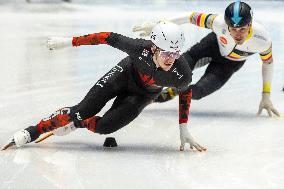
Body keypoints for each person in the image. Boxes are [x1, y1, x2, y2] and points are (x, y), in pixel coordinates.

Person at [3, 22, 206, 152]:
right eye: (166, 53)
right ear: (153, 48)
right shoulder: (139, 48)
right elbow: (107, 37)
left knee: (105, 127)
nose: (171, 59)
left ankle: (76, 124)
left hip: (142, 95)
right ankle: (32, 131)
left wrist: (183, 127)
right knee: (83, 110)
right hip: (124, 74)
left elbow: (185, 91)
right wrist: (68, 42)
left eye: (175, 53)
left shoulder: (182, 73)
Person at [133, 1, 280, 117]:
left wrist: (266, 95)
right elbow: (190, 17)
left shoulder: (262, 40)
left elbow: (268, 63)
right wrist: (158, 25)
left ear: (250, 24)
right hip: (211, 47)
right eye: (233, 29)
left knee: (197, 93)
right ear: (226, 25)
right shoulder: (218, 22)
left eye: (242, 29)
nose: (237, 34)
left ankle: (173, 91)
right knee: (171, 70)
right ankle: (138, 91)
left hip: (228, 66)